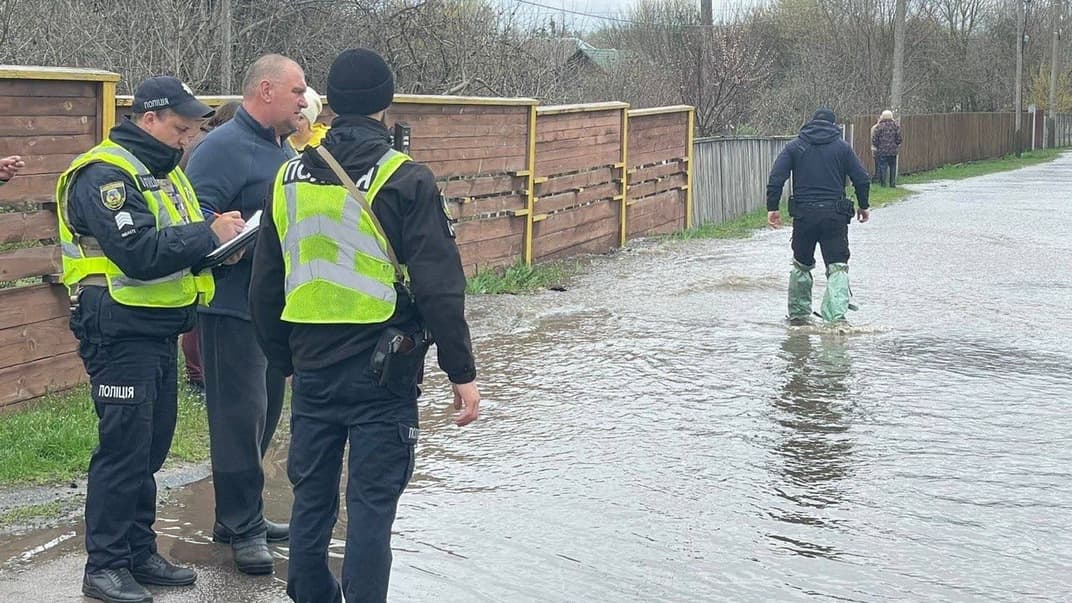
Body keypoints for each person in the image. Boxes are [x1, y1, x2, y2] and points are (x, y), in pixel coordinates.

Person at [249, 47, 481, 603]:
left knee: (312, 498)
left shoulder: (287, 177)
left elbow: (264, 286)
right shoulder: (406, 178)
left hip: (310, 364)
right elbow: (440, 290)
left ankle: (308, 594)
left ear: (326, 101)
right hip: (384, 371)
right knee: (371, 506)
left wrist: (284, 360)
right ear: (385, 103)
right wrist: (462, 372)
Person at [55, 76, 245, 603]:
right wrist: (207, 234)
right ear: (149, 119)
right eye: (181, 129)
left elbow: (177, 244)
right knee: (123, 449)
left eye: (191, 130)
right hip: (116, 330)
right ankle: (106, 564)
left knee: (150, 447)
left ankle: (137, 550)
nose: (187, 140)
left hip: (155, 328)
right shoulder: (105, 173)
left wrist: (221, 242)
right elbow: (136, 252)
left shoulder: (161, 173)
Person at [184, 54, 307, 575]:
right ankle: (243, 527)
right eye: (298, 91)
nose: (304, 100)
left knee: (266, 414)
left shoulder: (281, 149)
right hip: (230, 306)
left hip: (273, 309)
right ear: (266, 90)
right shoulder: (221, 147)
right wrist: (222, 227)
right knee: (238, 419)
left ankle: (239, 517)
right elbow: (194, 216)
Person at [766, 107, 870, 325]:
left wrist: (773, 207)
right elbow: (861, 178)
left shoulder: (795, 146)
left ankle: (798, 315)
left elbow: (776, 178)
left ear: (810, 123)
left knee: (801, 265)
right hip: (835, 217)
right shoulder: (843, 148)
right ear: (834, 126)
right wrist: (863, 205)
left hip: (804, 216)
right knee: (837, 266)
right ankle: (836, 319)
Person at [179, 100, 241, 394]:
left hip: (193, 237)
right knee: (199, 313)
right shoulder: (213, 148)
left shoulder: (199, 143)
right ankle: (197, 376)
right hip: (205, 235)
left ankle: (196, 374)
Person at [288, 86, 328, 151]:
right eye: (290, 115)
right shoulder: (280, 143)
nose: (293, 122)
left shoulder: (325, 142)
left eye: (300, 118)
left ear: (310, 120)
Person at [872, 110, 903, 187]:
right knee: (893, 167)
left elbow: (875, 138)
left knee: (883, 167)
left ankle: (883, 184)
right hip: (893, 151)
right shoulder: (896, 126)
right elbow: (899, 138)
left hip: (882, 150)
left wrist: (877, 145)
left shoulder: (879, 126)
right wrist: (896, 144)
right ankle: (892, 184)